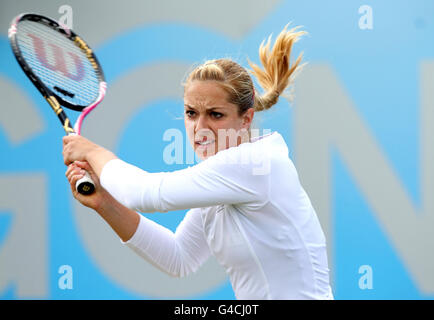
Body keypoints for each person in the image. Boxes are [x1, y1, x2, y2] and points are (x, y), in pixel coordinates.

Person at [63, 24, 333, 300]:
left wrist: (94, 153)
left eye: (215, 115)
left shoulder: (254, 164)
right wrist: (104, 203)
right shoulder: (225, 177)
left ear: (246, 119)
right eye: (191, 113)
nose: (200, 127)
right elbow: (179, 257)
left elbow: (143, 194)